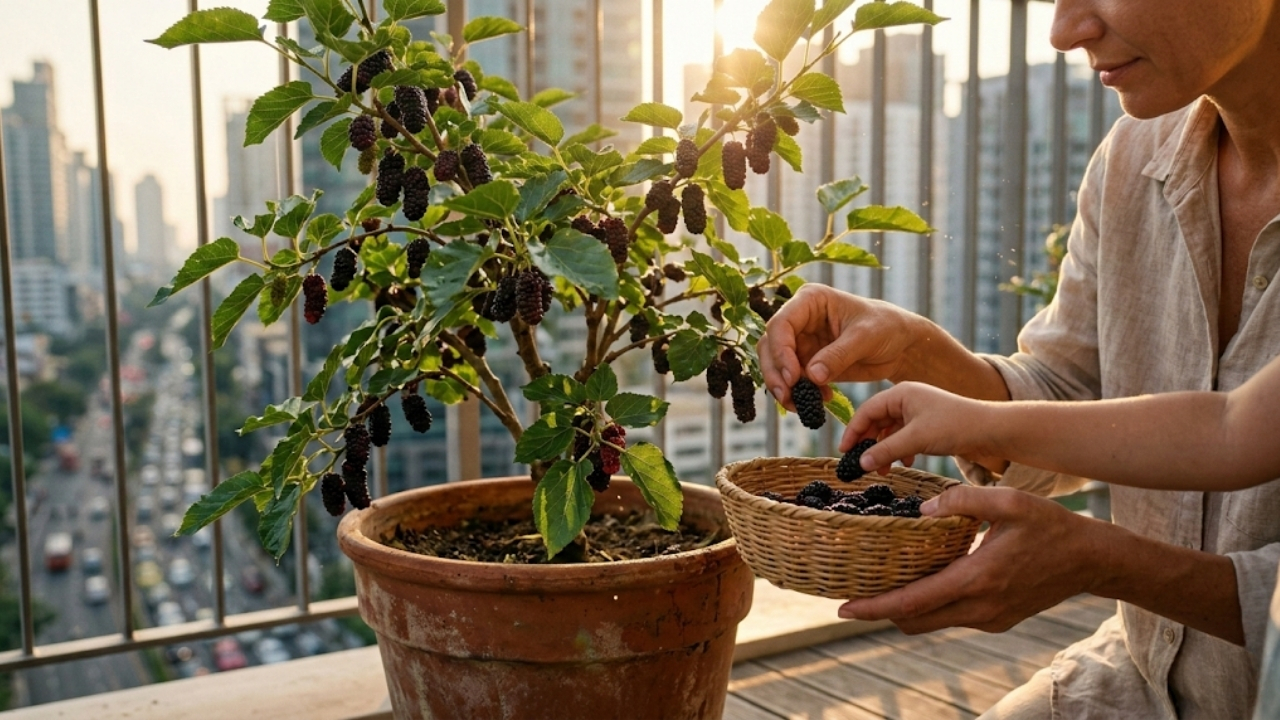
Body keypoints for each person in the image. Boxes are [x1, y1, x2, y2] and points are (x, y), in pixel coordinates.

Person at [754, 0, 1280, 716]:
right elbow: (1075, 402)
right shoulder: (1134, 155)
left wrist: (1106, 561)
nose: (1065, 32)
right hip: (1143, 673)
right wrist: (915, 349)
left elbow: (1231, 429)